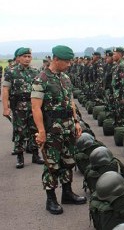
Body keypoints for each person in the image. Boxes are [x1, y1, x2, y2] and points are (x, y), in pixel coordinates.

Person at [31, 45, 86, 215]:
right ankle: (51, 199)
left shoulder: (66, 78)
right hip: (51, 130)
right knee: (52, 164)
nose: (69, 64)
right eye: (66, 61)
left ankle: (67, 193)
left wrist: (76, 122)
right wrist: (41, 131)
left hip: (68, 127)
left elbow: (70, 102)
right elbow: (36, 108)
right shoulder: (41, 79)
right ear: (55, 59)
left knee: (68, 161)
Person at [2, 47, 44, 168]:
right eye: (24, 56)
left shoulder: (35, 72)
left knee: (35, 130)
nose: (27, 59)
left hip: (33, 107)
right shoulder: (11, 72)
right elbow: (5, 90)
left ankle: (36, 155)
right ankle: (20, 156)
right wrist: (6, 107)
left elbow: (40, 90)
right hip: (19, 108)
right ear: (19, 58)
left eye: (29, 56)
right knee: (19, 132)